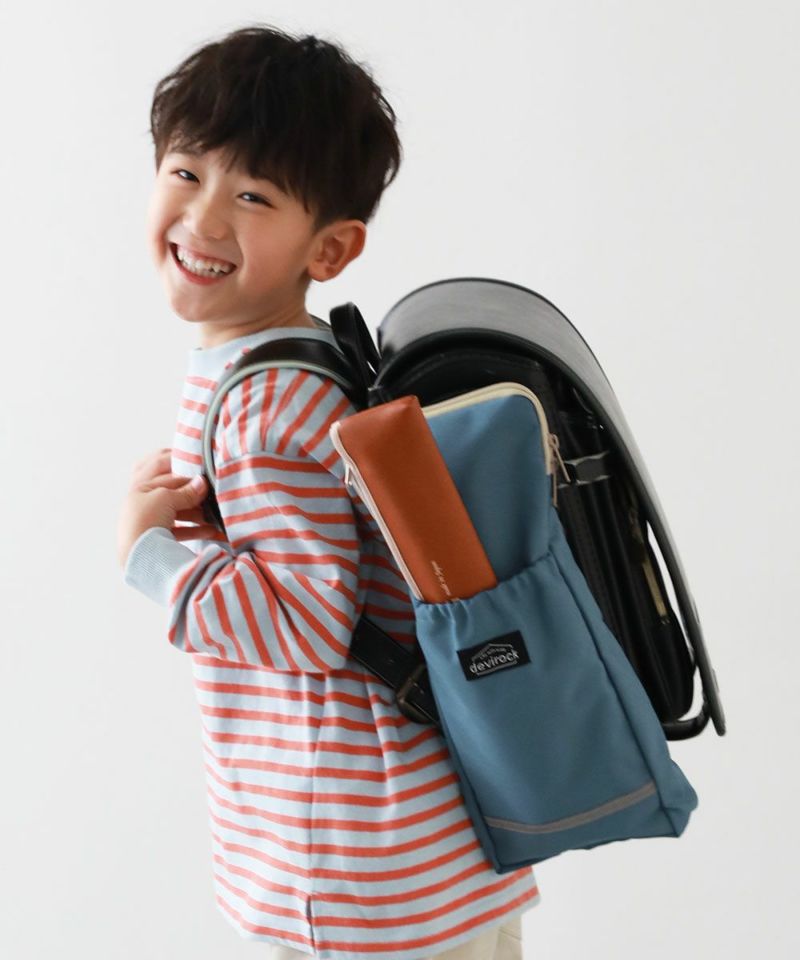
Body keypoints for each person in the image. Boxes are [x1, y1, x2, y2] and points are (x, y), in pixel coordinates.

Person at [117, 24, 541, 960]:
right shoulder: (292, 365)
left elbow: (309, 624)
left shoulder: (265, 403)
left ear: (332, 248)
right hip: (420, 863)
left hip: (359, 879)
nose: (206, 218)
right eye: (186, 171)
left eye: (254, 195)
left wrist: (153, 559)